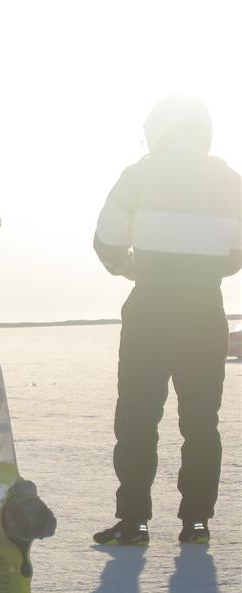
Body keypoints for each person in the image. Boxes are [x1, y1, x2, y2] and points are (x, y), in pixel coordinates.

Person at [92, 95, 241, 546]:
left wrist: (133, 268)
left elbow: (106, 242)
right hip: (202, 310)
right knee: (201, 420)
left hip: (150, 310)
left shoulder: (139, 175)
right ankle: (196, 522)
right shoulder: (228, 180)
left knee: (137, 418)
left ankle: (134, 522)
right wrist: (207, 269)